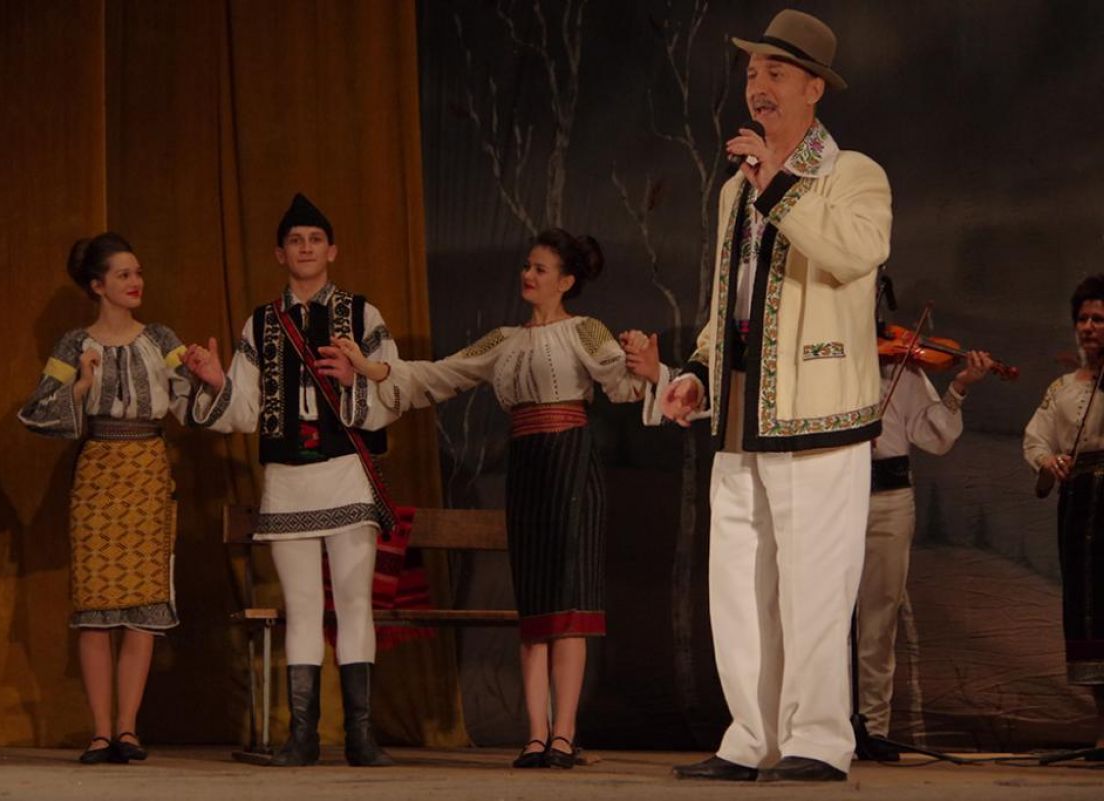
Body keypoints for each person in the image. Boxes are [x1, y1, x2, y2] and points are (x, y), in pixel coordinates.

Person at [642, 8, 892, 782]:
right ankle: (751, 737)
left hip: (818, 413)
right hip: (742, 411)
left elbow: (855, 251)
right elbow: (730, 303)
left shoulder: (852, 174)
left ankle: (818, 738)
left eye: (775, 72)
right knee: (739, 586)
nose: (758, 85)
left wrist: (778, 184)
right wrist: (697, 371)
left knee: (815, 585)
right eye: (752, 72)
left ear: (814, 88)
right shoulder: (734, 190)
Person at [333, 229, 665, 769]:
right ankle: (535, 735)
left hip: (571, 464)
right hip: (527, 466)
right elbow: (440, 374)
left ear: (566, 281)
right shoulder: (503, 341)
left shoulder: (584, 330)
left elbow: (620, 381)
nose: (528, 275)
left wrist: (643, 365)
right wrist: (372, 370)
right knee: (534, 604)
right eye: (527, 266)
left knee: (569, 603)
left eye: (540, 269)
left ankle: (564, 735)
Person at [184, 193, 399, 767]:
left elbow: (394, 388)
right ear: (280, 254)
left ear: (333, 251)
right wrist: (215, 381)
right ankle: (302, 736)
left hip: (347, 474)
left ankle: (360, 737)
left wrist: (356, 376)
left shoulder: (363, 315)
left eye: (315, 240)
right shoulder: (261, 323)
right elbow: (244, 408)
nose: (305, 248)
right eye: (295, 241)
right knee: (301, 607)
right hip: (287, 479)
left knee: (354, 603)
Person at [19, 233, 196, 764]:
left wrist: (205, 374)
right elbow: (38, 409)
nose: (135, 282)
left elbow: (194, 393)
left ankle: (127, 729)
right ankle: (100, 732)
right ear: (98, 286)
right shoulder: (74, 345)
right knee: (97, 607)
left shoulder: (161, 337)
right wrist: (80, 385)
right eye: (123, 274)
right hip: (97, 473)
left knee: (142, 606)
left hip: (147, 472)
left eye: (137, 272)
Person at [857, 348, 990, 759]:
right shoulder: (826, 362)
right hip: (829, 493)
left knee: (879, 616)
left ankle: (872, 727)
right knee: (822, 615)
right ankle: (819, 724)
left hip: (888, 497)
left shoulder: (902, 369)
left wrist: (959, 388)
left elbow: (935, 436)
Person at [1023, 274, 1104, 752]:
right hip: (1082, 506)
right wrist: (1049, 461)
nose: (1089, 327)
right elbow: (1035, 437)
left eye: (1099, 319)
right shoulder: (1063, 388)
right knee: (1088, 610)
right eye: (1083, 319)